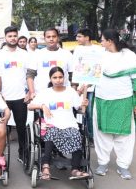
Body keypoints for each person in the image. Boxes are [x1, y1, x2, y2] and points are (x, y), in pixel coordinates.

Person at [28, 66, 90, 180]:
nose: (58, 80)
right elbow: (30, 106)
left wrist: (83, 104)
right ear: (50, 79)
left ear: (64, 78)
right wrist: (42, 106)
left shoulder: (70, 91)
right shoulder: (45, 92)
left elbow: (79, 108)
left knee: (76, 135)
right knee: (51, 132)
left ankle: (75, 169)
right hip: (52, 123)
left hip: (69, 123)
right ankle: (45, 167)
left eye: (60, 77)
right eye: (55, 77)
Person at [93, 29, 136, 180]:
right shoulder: (99, 55)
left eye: (103, 40)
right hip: (101, 99)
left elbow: (135, 80)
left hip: (123, 99)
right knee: (102, 133)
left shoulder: (129, 56)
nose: (101, 42)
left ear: (110, 41)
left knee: (125, 135)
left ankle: (123, 166)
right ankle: (102, 163)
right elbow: (91, 75)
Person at [0, 26, 29, 163]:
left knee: (21, 127)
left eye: (15, 36)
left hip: (21, 97)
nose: (13, 38)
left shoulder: (24, 54)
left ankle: (23, 152)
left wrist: (29, 92)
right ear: (5, 38)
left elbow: (30, 74)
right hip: (3, 98)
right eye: (10, 36)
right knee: (1, 128)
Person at [72, 29, 104, 144]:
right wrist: (76, 87)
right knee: (76, 110)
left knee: (89, 112)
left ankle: (90, 136)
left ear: (87, 37)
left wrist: (89, 83)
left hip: (92, 87)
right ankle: (77, 134)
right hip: (78, 87)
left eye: (79, 36)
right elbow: (75, 68)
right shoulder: (77, 49)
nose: (77, 39)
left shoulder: (99, 49)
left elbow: (98, 69)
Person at [27, 28, 74, 99]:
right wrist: (32, 92)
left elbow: (72, 75)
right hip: (42, 94)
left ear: (58, 38)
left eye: (54, 36)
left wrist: (74, 91)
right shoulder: (37, 54)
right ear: (44, 39)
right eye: (48, 37)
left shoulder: (67, 54)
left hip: (63, 95)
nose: (51, 39)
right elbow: (30, 75)